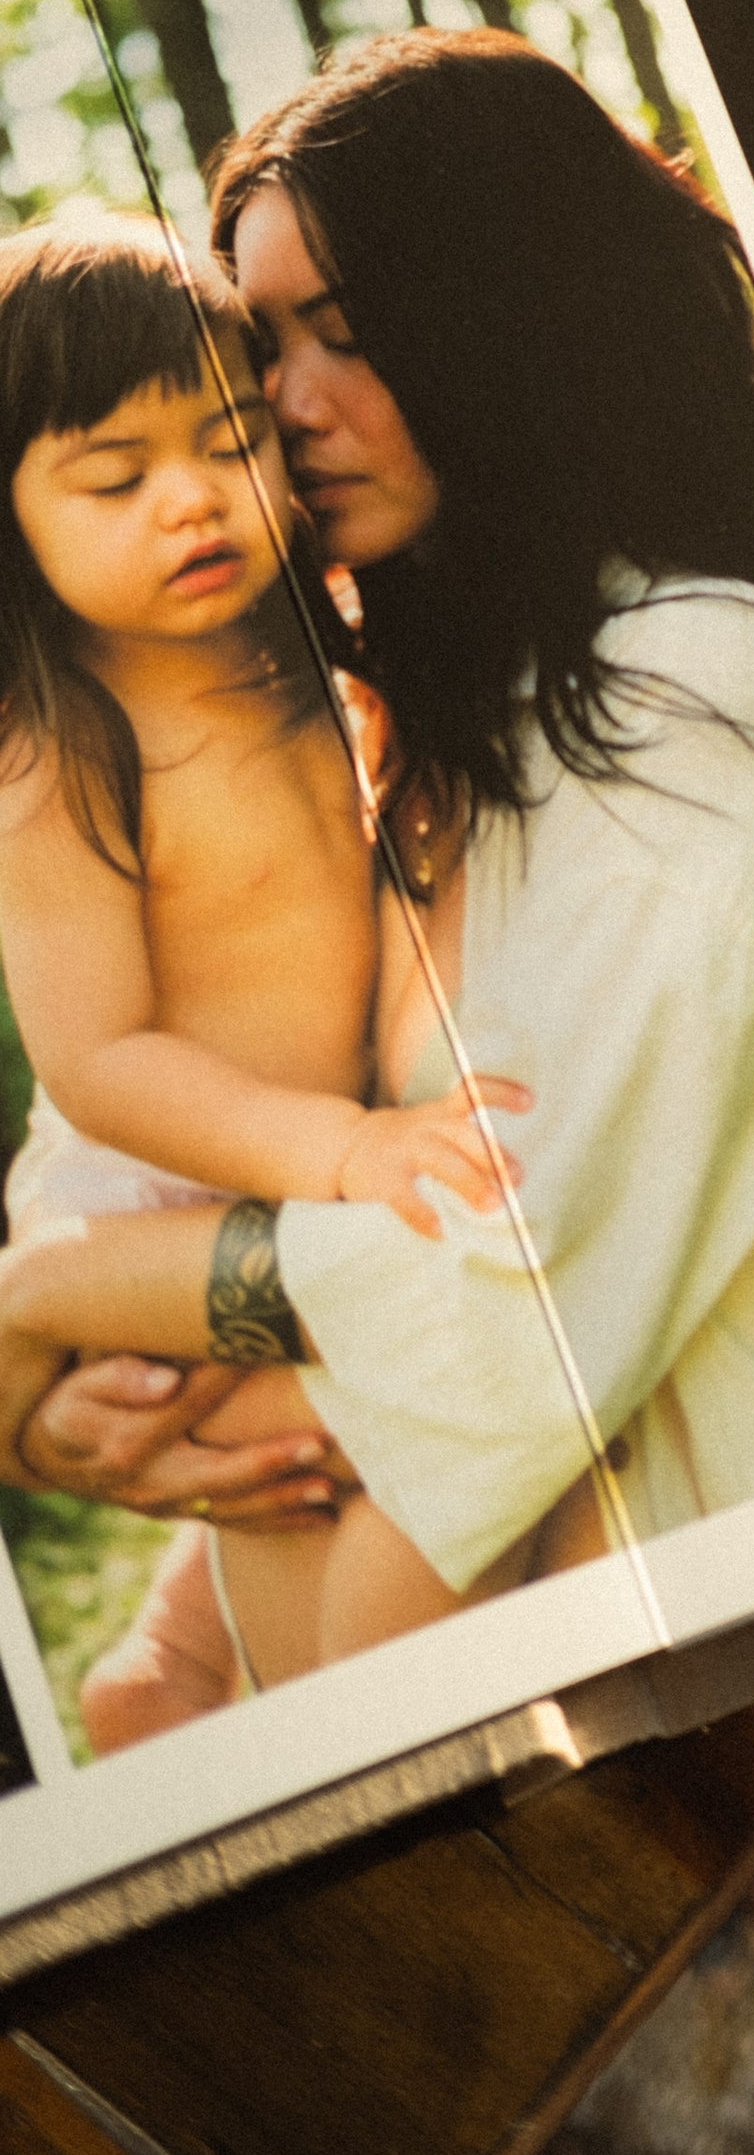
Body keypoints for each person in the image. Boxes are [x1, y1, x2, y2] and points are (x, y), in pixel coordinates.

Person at [0, 31, 754, 1720]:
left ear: (514, 316)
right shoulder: (421, 719)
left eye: (350, 332)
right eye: (267, 345)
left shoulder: (691, 678)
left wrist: (43, 1308)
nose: (286, 404)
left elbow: (517, 1274)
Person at [0, 221, 527, 1721]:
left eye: (231, 442)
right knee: (300, 1450)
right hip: (151, 1194)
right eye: (115, 477)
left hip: (299, 1172)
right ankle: (229, 1689)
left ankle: (171, 1670)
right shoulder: (62, 751)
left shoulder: (306, 642)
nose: (193, 500)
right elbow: (97, 1061)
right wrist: (347, 1147)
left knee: (325, 1425)